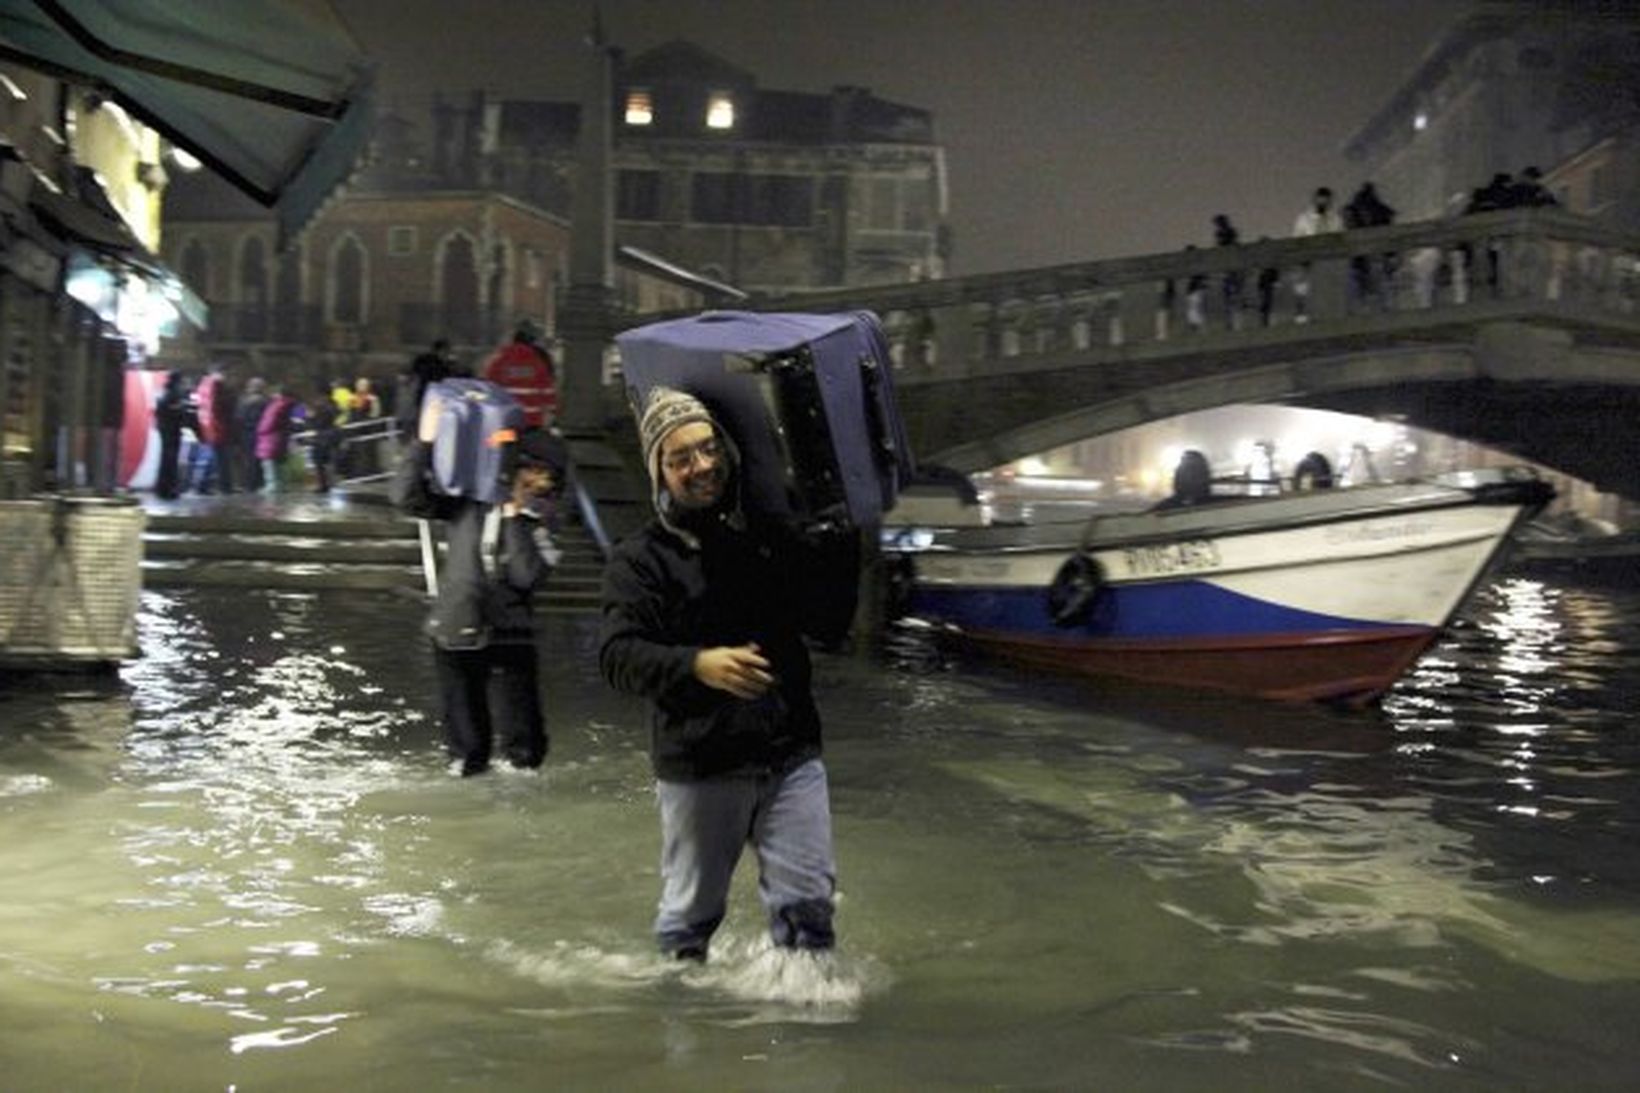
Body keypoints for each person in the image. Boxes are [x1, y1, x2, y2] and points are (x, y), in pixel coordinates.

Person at [599, 387, 861, 962]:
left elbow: (829, 626)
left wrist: (842, 545)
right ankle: (682, 1029)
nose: (702, 466)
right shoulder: (638, 560)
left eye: (709, 448)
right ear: (658, 472)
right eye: (681, 457)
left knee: (810, 908)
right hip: (701, 764)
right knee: (691, 918)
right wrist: (698, 666)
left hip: (789, 752)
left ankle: (807, 1036)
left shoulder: (769, 539)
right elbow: (617, 655)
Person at [391, 402, 565, 776]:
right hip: (455, 627)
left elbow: (527, 576)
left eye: (543, 474)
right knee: (467, 755)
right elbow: (405, 495)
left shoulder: (546, 523)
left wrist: (515, 516)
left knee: (525, 750)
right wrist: (424, 442)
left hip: (512, 636)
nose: (536, 479)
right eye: (529, 469)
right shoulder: (467, 505)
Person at [483, 320, 558, 430]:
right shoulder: (538, 360)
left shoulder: (500, 359)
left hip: (506, 422)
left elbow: (488, 388)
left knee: (496, 443)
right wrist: (552, 411)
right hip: (531, 424)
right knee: (533, 445)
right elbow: (547, 389)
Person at [1291, 187, 1344, 323]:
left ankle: (1328, 319)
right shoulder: (1304, 218)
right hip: (1309, 261)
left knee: (1326, 292)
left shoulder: (1335, 218)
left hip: (1328, 261)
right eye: (1321, 201)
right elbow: (1296, 239)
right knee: (1304, 290)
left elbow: (1339, 238)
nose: (1323, 204)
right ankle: (1303, 318)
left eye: (1326, 201)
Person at [153, 371, 197, 500]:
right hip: (171, 430)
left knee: (167, 460)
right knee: (170, 461)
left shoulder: (166, 392)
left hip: (167, 430)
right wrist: (181, 408)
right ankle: (168, 488)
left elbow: (161, 410)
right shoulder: (172, 394)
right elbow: (170, 410)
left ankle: (164, 488)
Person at [255, 384, 299, 495]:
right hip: (280, 438)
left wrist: (260, 430)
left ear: (279, 394)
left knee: (270, 464)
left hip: (270, 439)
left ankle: (272, 487)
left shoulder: (277, 405)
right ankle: (282, 486)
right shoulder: (290, 405)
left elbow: (268, 423)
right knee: (279, 465)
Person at [235, 377, 269, 493]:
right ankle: (258, 483)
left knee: (249, 459)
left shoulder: (244, 401)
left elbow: (239, 418)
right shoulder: (265, 402)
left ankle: (249, 484)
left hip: (246, 433)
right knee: (258, 460)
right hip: (260, 433)